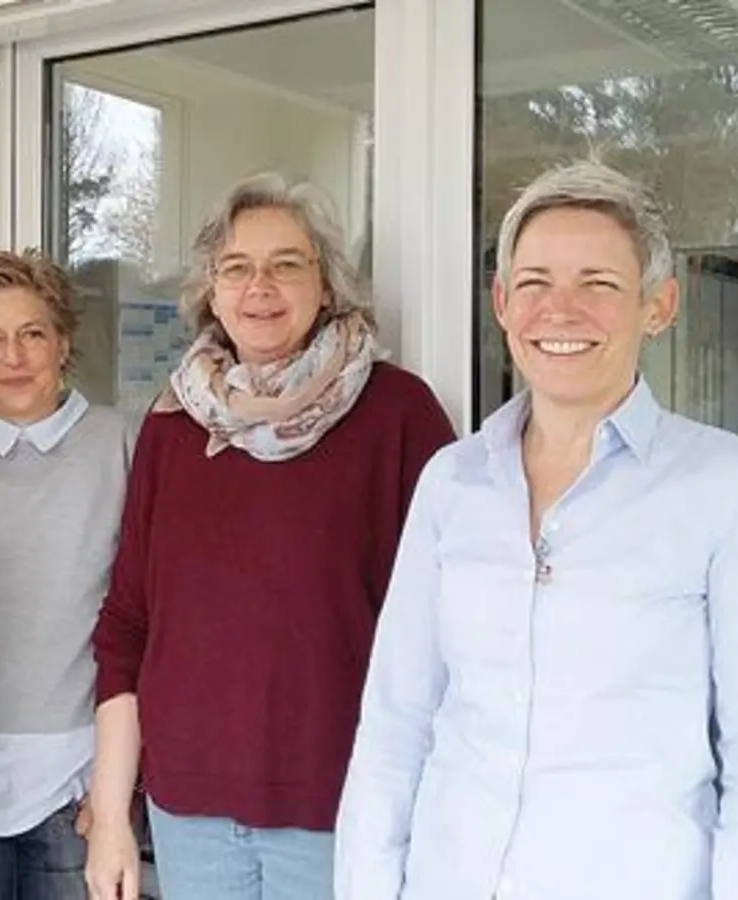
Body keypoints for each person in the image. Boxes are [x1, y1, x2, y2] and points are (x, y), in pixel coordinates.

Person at [334, 160, 738, 899]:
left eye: (598, 283)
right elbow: (396, 725)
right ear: (500, 302)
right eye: (533, 283)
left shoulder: (732, 488)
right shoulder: (451, 483)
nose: (560, 311)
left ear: (659, 305)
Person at [85, 173, 456, 900]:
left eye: (287, 263)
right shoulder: (172, 425)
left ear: (328, 283)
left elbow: (447, 629)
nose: (260, 286)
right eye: (236, 267)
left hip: (342, 812)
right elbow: (128, 623)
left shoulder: (398, 415)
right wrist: (109, 813)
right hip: (187, 812)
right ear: (211, 291)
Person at [0, 250, 140, 900]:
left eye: (32, 334)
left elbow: (145, 613)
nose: (12, 357)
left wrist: (118, 781)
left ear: (63, 342)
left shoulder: (119, 442)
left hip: (77, 773)